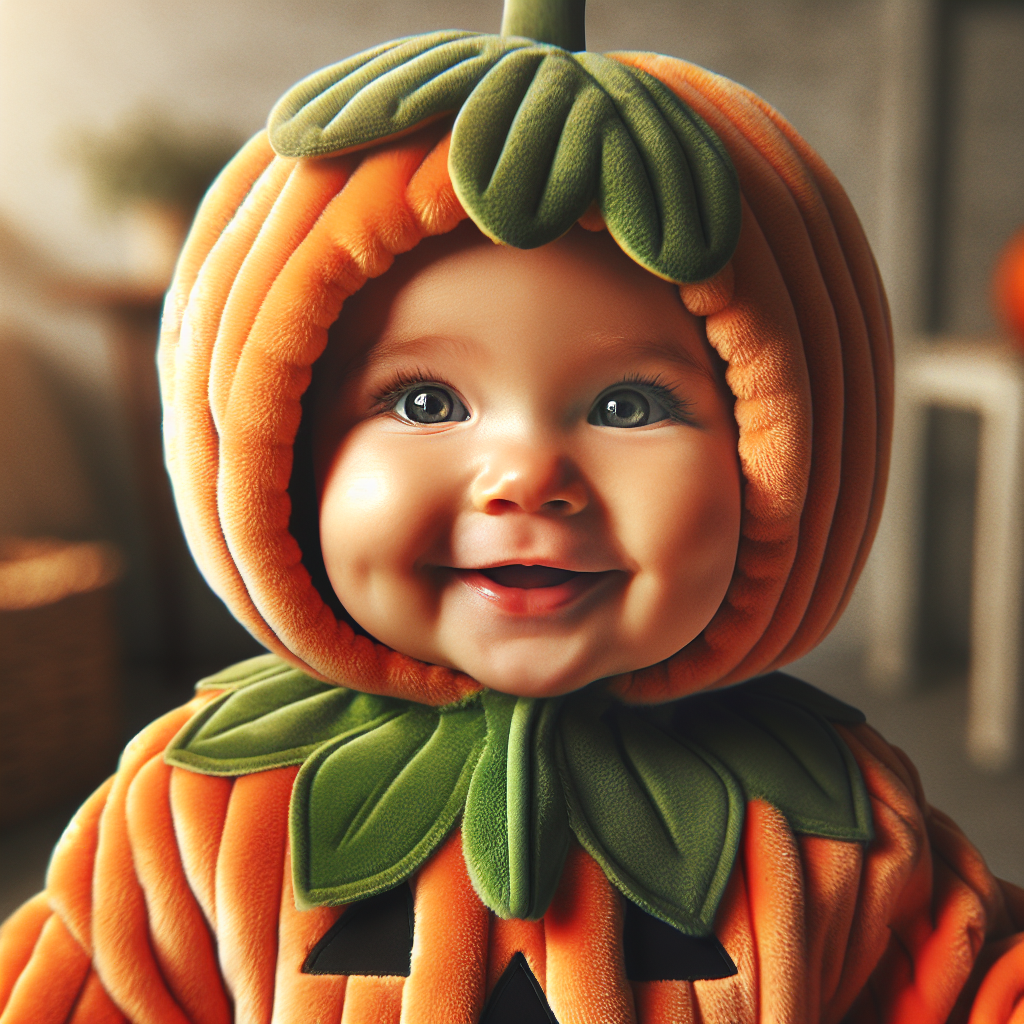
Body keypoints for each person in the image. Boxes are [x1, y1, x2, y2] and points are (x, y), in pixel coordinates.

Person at [1, 2, 1022, 1021]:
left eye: (630, 406)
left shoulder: (840, 826)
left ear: (793, 461)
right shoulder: (189, 815)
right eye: (424, 401)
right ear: (280, 460)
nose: (527, 478)